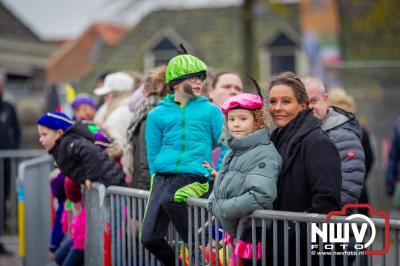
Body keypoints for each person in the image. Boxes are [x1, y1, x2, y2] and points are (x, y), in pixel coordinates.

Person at [140, 52, 223, 266]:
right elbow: (152, 153)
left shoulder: (211, 111)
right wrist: (154, 180)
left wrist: (219, 172)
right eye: (193, 78)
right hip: (162, 178)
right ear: (176, 82)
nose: (199, 82)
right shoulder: (156, 114)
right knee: (149, 238)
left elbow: (227, 145)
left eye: (201, 78)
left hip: (194, 174)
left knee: (171, 198)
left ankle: (196, 248)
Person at [267, 72, 342, 265]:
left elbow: (326, 201)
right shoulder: (275, 139)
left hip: (304, 251)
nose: (277, 108)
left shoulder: (318, 142)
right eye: (273, 101)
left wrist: (294, 234)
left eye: (286, 101)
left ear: (302, 105)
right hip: (279, 246)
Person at [208, 92, 282, 265]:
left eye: (242, 119)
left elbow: (262, 195)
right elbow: (221, 182)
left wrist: (224, 208)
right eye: (231, 119)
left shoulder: (265, 154)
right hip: (236, 231)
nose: (236, 124)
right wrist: (214, 202)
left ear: (257, 121)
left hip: (252, 233)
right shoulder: (233, 150)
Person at [304, 77, 365, 209]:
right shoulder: (301, 133)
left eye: (314, 101)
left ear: (325, 99)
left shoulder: (344, 136)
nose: (309, 107)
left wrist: (315, 218)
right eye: (304, 102)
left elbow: (348, 188)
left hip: (331, 223)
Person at [37, 111, 125, 187]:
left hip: (111, 181)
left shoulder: (70, 143)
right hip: (106, 184)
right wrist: (83, 179)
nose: (40, 140)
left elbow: (91, 152)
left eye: (44, 135)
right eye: (40, 135)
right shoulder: (60, 149)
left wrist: (91, 178)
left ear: (59, 133)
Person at [328, 88, 375, 216]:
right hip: (360, 191)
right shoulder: (361, 129)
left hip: (341, 199)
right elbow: (370, 159)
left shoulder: (328, 130)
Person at [124, 65, 169, 190]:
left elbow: (146, 165)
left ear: (146, 91)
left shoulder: (147, 115)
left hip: (147, 191)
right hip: (153, 191)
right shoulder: (155, 116)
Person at [0, 74, 21, 255]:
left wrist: (13, 150)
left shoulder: (8, 108)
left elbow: (17, 131)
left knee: (3, 201)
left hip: (5, 165)